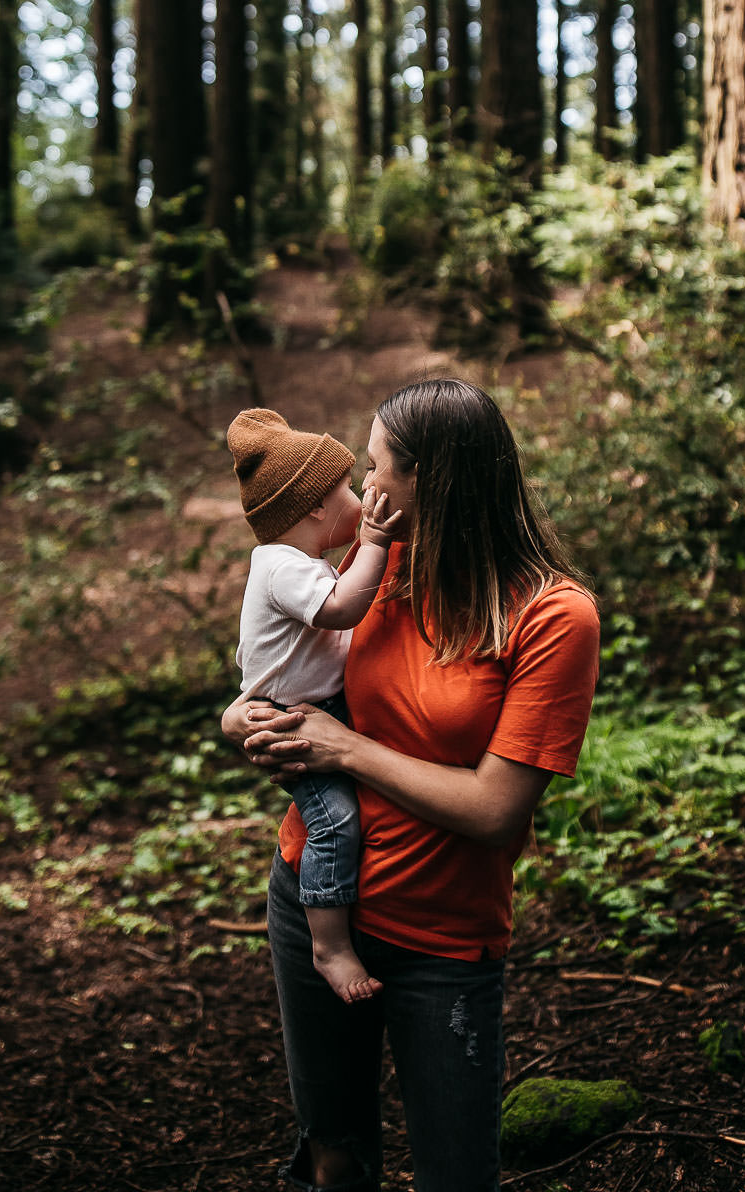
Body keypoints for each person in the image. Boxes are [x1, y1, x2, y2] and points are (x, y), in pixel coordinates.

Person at [223, 379, 601, 1192]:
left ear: (434, 477)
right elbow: (281, 670)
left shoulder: (552, 615)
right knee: (335, 1153)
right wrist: (241, 722)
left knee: (457, 1174)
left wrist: (344, 750)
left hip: (442, 934)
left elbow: (497, 811)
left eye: (374, 467)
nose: (362, 487)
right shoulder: (379, 572)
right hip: (314, 901)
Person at [227, 407, 405, 1005]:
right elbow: (342, 612)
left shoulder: (295, 564)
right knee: (335, 822)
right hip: (297, 717)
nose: (361, 494)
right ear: (315, 508)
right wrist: (376, 543)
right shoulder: (281, 567)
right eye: (349, 487)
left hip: (315, 704)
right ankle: (328, 945)